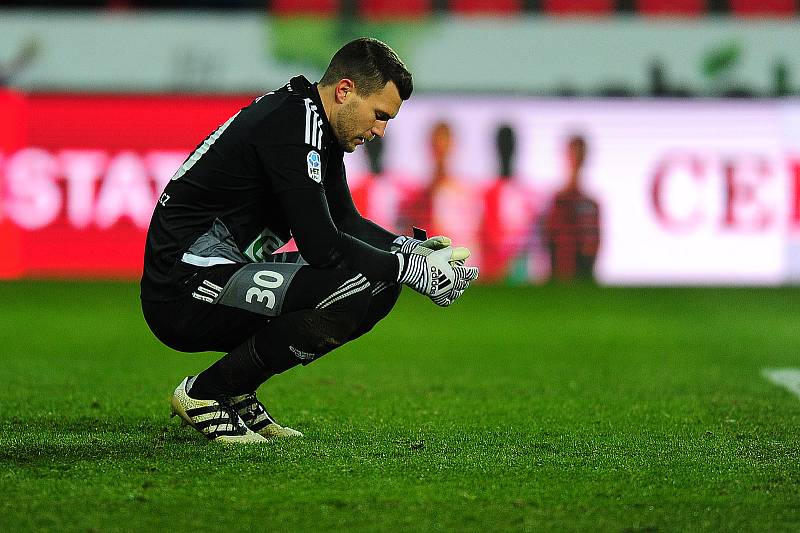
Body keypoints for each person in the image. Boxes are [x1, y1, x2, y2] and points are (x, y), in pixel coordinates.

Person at [140, 38, 479, 444]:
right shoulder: (292, 124)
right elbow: (323, 247)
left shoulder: (314, 122)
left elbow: (346, 222)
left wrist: (406, 249)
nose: (380, 130)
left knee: (380, 284)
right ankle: (205, 394)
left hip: (224, 271)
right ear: (344, 91)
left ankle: (233, 386)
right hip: (183, 285)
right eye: (379, 115)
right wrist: (410, 267)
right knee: (350, 287)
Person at [541, 134, 601, 281]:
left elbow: (593, 247)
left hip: (582, 280)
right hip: (556, 279)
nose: (576, 159)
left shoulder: (591, 205)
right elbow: (547, 241)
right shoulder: (554, 201)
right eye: (574, 154)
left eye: (580, 154)